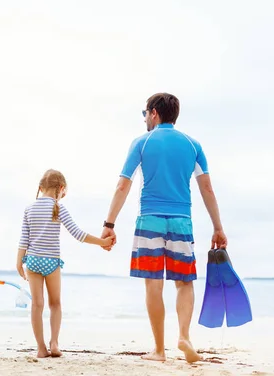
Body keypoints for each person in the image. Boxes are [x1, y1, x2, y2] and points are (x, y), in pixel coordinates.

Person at [101, 93, 227, 363]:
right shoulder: (193, 145)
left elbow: (123, 185)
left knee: (153, 284)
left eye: (145, 113)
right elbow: (207, 189)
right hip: (181, 220)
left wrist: (109, 224)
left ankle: (159, 350)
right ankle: (184, 336)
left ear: (155, 113)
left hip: (150, 220)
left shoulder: (142, 143)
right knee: (184, 282)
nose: (144, 118)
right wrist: (218, 227)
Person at [17, 169, 115, 358]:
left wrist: (18, 263)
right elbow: (78, 234)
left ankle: (40, 348)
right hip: (52, 262)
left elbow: (24, 239)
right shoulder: (59, 208)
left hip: (33, 261)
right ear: (61, 188)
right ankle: (54, 343)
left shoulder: (29, 209)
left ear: (40, 188)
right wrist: (102, 243)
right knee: (55, 304)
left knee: (37, 305)